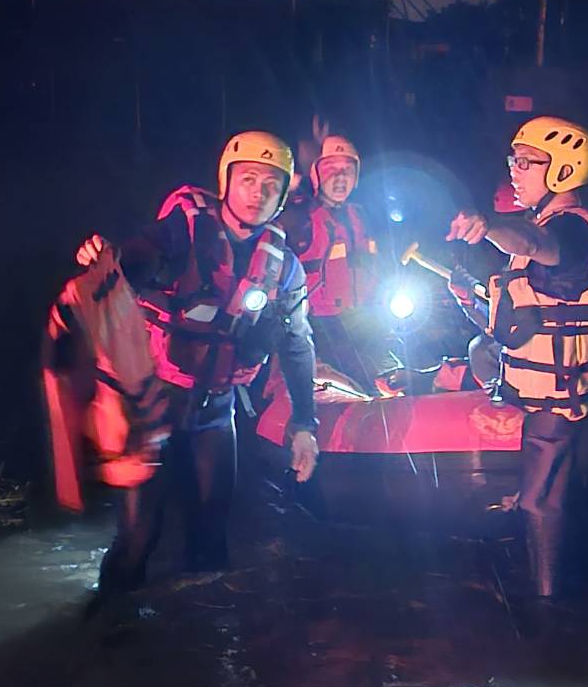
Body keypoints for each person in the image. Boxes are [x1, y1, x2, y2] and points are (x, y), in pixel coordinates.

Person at [76, 131, 321, 591]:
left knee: (212, 531)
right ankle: (109, 633)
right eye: (248, 178)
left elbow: (297, 344)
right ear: (226, 181)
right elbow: (140, 254)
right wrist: (109, 258)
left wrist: (305, 425)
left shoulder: (284, 266)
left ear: (284, 194)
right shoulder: (182, 230)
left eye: (272, 184)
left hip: (214, 407)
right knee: (139, 535)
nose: (258, 192)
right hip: (149, 401)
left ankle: (203, 642)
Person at [445, 116, 588, 597]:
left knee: (539, 504)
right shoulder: (578, 227)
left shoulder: (569, 232)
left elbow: (537, 246)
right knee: (574, 503)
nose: (515, 171)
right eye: (514, 161)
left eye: (527, 163)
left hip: (562, 401)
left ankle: (545, 615)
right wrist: (470, 300)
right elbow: (522, 322)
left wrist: (489, 227)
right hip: (584, 395)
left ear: (563, 171)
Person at [279, 133, 392, 391]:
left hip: (366, 321)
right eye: (331, 169)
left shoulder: (361, 215)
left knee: (395, 378)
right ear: (317, 175)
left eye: (348, 170)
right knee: (364, 384)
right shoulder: (298, 218)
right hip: (321, 327)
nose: (340, 177)